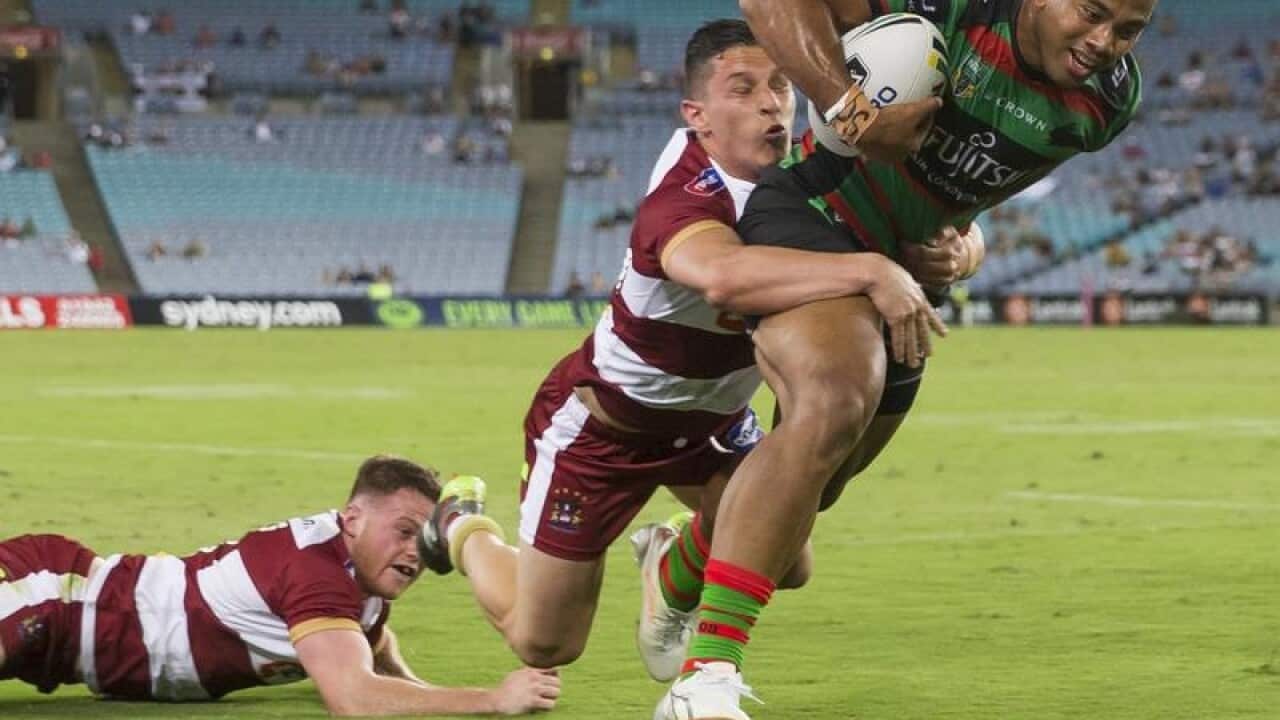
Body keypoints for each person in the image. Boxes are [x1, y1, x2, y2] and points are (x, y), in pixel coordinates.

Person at [649, 0, 1153, 717]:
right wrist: (847, 111)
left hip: (903, 274)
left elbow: (974, 198)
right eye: (1091, 13)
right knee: (835, 399)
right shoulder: (954, 10)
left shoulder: (1105, 102)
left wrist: (964, 246)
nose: (1103, 42)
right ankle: (705, 680)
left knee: (815, 482)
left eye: (1128, 30)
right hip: (813, 211)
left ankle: (679, 563)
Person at [415, 18, 944, 683]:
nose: (769, 102)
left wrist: (951, 247)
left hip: (713, 427)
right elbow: (723, 275)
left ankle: (670, 561)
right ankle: (463, 526)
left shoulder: (806, 177)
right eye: (742, 88)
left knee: (789, 555)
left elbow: (937, 219)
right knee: (543, 643)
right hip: (604, 430)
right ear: (698, 115)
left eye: (780, 85)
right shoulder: (684, 198)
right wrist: (871, 270)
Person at [0, 456, 560, 716]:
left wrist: (417, 685)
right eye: (404, 531)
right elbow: (352, 698)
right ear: (353, 519)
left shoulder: (355, 575)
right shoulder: (316, 572)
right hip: (57, 601)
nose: (415, 551)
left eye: (425, 538)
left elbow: (369, 642)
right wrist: (492, 699)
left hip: (79, 631)